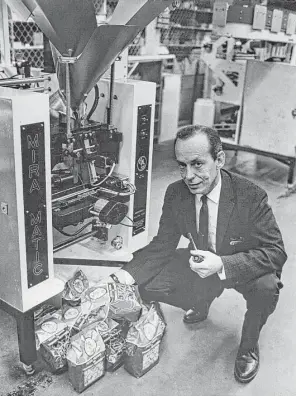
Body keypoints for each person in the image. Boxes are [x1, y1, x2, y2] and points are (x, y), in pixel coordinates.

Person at [108, 125, 287, 383]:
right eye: (182, 165)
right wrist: (123, 277)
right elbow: (162, 245)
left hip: (240, 267)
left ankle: (248, 347)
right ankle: (201, 301)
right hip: (201, 264)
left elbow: (276, 251)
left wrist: (224, 264)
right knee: (144, 284)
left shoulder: (250, 196)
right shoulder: (176, 193)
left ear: (220, 159)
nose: (189, 176)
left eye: (198, 164)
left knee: (267, 287)